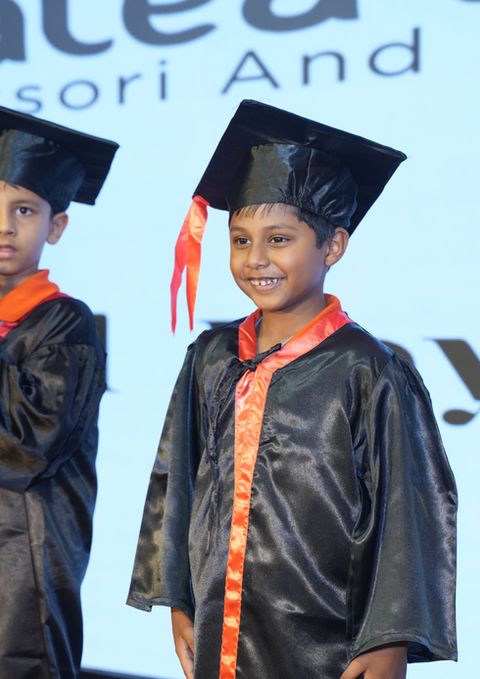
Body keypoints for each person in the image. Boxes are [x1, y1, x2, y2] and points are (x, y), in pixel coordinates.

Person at [127, 100, 457, 679]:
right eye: (239, 240)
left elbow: (408, 511)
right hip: (219, 627)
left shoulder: (367, 369)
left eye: (278, 239)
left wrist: (390, 638)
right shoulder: (211, 357)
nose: (256, 259)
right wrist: (178, 597)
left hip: (324, 637)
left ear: (332, 246)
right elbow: (177, 481)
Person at [0, 106, 118, 678]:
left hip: (22, 562)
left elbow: (26, 445)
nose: (4, 226)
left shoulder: (65, 325)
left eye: (24, 210)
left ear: (55, 226)